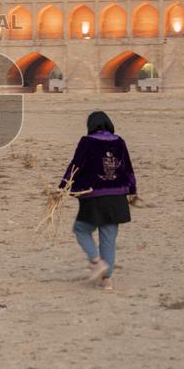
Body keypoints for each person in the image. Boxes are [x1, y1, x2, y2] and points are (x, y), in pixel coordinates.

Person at [59, 111, 137, 291]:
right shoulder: (119, 141)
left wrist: (62, 186)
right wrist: (133, 191)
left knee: (81, 230)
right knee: (108, 239)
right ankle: (107, 281)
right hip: (117, 197)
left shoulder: (87, 142)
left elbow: (75, 166)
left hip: (94, 196)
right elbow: (128, 168)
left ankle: (96, 261)